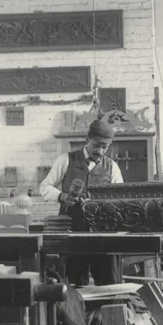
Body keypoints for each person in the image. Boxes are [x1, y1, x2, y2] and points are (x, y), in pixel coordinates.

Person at [39, 117, 124, 285]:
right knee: (74, 281)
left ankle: (105, 310)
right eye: (96, 145)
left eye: (104, 147)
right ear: (87, 140)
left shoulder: (112, 166)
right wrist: (63, 196)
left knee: (108, 281)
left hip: (102, 231)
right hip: (72, 229)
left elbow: (119, 197)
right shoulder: (66, 160)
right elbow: (45, 187)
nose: (99, 151)